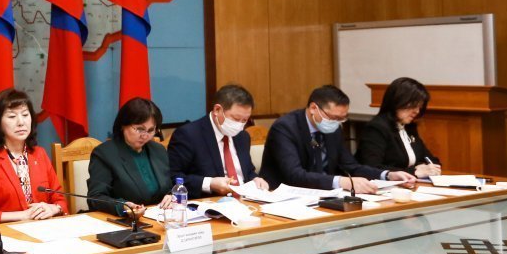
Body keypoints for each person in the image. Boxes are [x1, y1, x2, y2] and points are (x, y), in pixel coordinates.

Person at [259, 85, 417, 193]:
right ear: (313, 108)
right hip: (285, 195)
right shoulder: (285, 128)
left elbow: (350, 166)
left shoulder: (333, 129)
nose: (337, 123)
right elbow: (294, 175)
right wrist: (342, 182)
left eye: (342, 118)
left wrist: (387, 175)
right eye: (333, 117)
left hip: (326, 194)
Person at [0, 88, 68, 223]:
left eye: (25, 115)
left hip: (43, 228)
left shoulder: (40, 154)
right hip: (7, 232)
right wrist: (22, 215)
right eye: (12, 117)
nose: (21, 122)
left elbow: (60, 200)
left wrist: (53, 208)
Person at [168, 84, 269, 198]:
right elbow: (173, 177)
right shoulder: (189, 135)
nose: (240, 125)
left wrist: (256, 179)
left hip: (246, 201)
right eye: (236, 119)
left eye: (244, 120)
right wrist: (209, 184)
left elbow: (248, 171)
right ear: (217, 110)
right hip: (210, 202)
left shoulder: (242, 136)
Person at [87, 97, 173, 216]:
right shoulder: (104, 154)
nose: (145, 136)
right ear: (123, 125)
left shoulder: (158, 150)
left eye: (151, 130)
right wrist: (123, 207)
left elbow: (169, 187)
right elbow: (95, 198)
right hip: (124, 221)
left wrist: (171, 196)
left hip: (160, 218)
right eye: (140, 129)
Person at [356, 77, 442, 178]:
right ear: (397, 101)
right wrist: (414, 171)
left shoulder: (409, 127)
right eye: (413, 105)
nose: (417, 111)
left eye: (420, 107)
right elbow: (372, 168)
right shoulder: (376, 128)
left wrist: (427, 168)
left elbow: (432, 160)